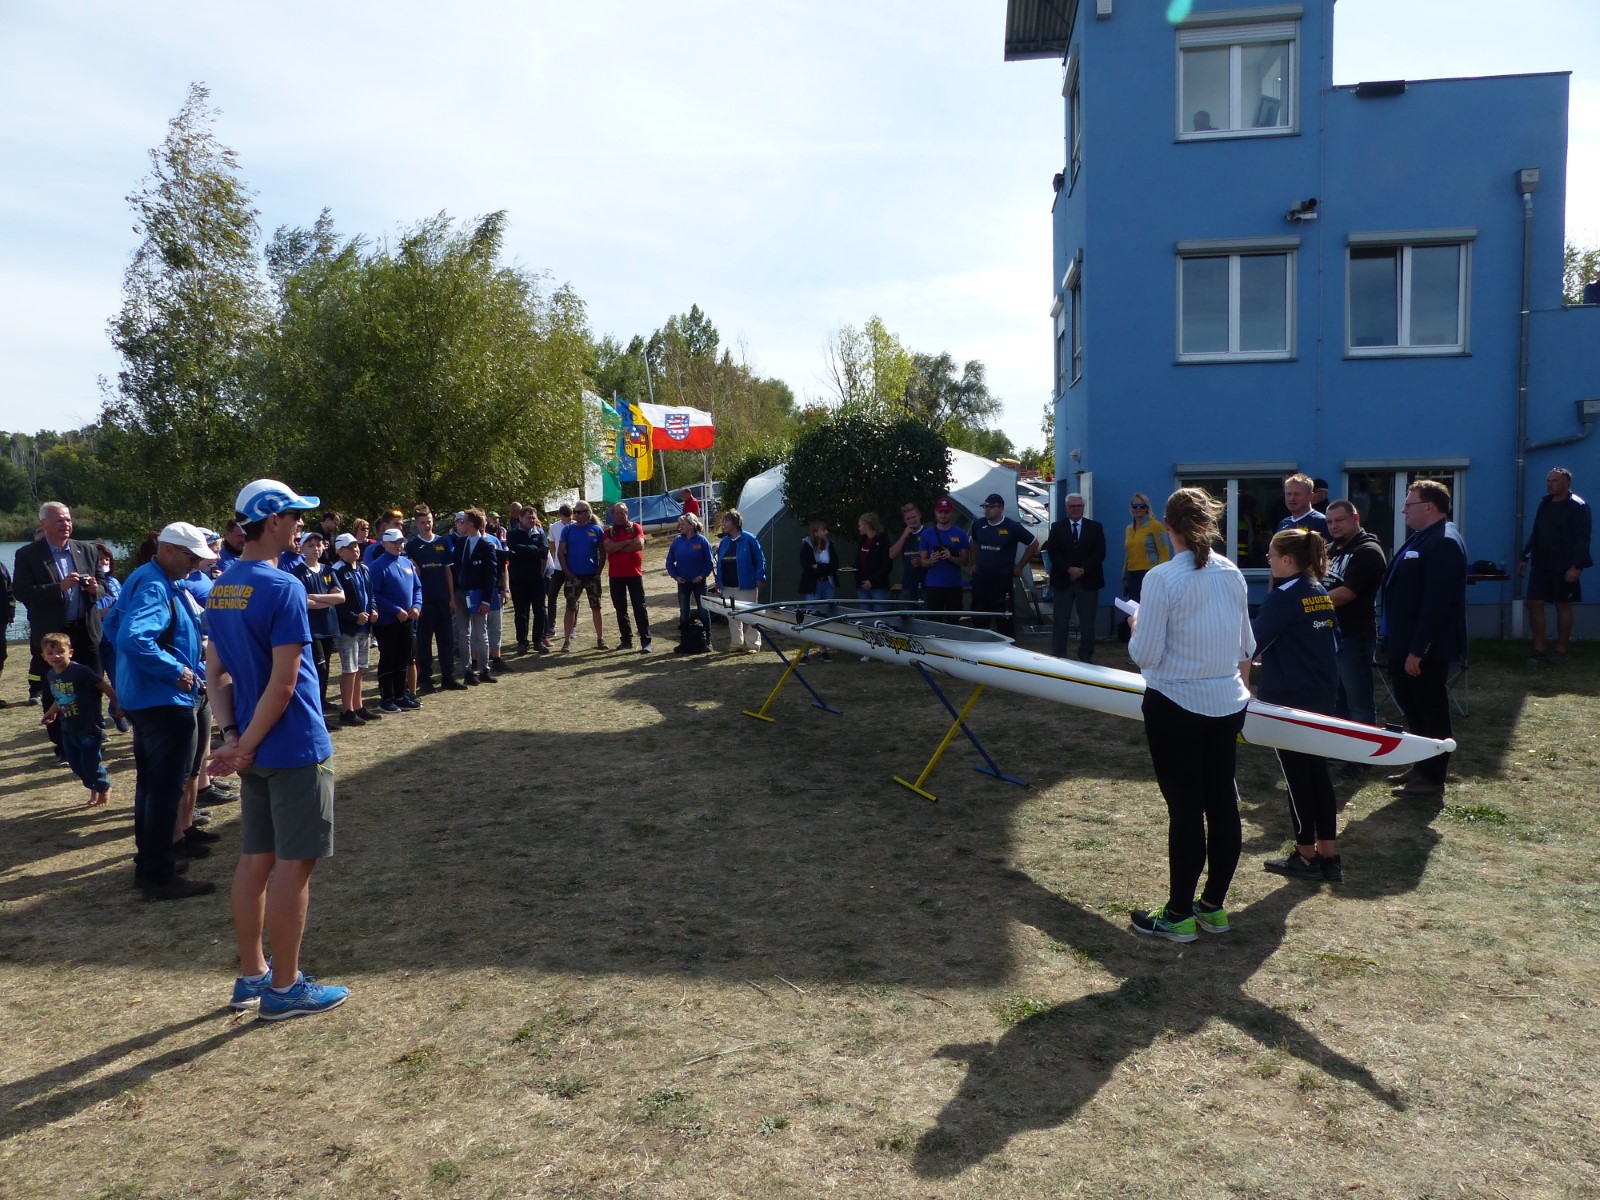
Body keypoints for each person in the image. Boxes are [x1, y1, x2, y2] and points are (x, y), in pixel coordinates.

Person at [205, 477, 348, 1021]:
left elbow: (216, 674)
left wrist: (233, 738)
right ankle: (285, 988)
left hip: (254, 746)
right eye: (293, 516)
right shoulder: (283, 586)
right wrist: (244, 744)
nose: (300, 525)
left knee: (255, 858)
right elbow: (285, 683)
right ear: (271, 520)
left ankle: (253, 974)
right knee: (293, 865)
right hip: (293, 745)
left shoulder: (221, 586)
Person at [1126, 488, 1254, 943]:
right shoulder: (1232, 572)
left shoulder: (1162, 578)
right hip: (1227, 703)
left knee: (1185, 808)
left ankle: (1179, 913)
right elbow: (1247, 645)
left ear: (1167, 525)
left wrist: (1136, 624)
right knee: (1221, 802)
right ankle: (1212, 906)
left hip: (1175, 703)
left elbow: (1145, 655)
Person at [116, 521, 216, 900]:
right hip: (163, 701)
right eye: (191, 557)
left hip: (146, 697)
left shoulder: (147, 577)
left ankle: (151, 864)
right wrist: (177, 671)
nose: (195, 564)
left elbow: (113, 627)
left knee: (150, 788)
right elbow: (133, 638)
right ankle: (158, 876)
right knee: (163, 790)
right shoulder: (155, 584)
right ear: (169, 549)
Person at [1252, 528, 1342, 882]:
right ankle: (1328, 854)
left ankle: (1305, 856)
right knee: (1317, 772)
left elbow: (1251, 643)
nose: (1268, 561)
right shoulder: (1318, 590)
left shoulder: (1284, 596)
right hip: (1321, 692)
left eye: (1271, 556)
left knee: (1297, 777)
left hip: (1290, 698)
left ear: (1287, 560)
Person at [1382, 479, 1467, 798]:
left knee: (1430, 709)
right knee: (1413, 707)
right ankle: (1421, 764)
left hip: (1423, 649)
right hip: (1404, 642)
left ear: (1428, 506)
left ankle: (1432, 777)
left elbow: (1436, 604)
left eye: (1409, 504)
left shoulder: (1443, 541)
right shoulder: (1423, 537)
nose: (1404, 510)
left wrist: (1419, 650)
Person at [13, 501, 103, 764]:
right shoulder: (28, 554)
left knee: (92, 686)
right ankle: (62, 747)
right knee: (55, 689)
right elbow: (22, 592)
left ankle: (93, 740)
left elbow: (103, 587)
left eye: (68, 519)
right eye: (59, 520)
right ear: (43, 524)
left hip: (85, 631)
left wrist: (94, 589)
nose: (66, 524)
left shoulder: (87, 550)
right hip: (53, 636)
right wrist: (59, 588)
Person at [1323, 500, 1387, 732]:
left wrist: (1309, 602)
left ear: (1355, 518)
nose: (1334, 526)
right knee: (1336, 702)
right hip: (1330, 634)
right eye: (1329, 522)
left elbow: (1347, 593)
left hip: (1354, 636)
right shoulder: (1330, 549)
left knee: (1358, 703)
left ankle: (1363, 750)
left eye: (1339, 520)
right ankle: (1341, 747)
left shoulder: (1368, 551)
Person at [40, 630, 120, 807]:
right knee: (75, 765)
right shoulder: (51, 675)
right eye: (50, 653)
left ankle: (104, 787)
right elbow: (60, 698)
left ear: (70, 652)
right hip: (68, 728)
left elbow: (104, 686)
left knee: (90, 763)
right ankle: (93, 787)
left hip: (88, 728)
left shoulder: (81, 671)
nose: (55, 656)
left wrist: (117, 704)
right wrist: (51, 712)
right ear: (43, 656)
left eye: (60, 651)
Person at [1520, 466, 1591, 661]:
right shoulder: (1545, 503)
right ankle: (1539, 648)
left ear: (1567, 483)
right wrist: (1524, 557)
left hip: (1565, 565)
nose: (1550, 485)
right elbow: (1537, 533)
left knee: (1562, 605)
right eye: (1548, 481)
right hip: (1541, 563)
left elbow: (1583, 538)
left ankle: (1561, 650)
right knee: (1533, 603)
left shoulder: (1577, 506)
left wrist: (1576, 566)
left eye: (1555, 481)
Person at [1043, 492, 1106, 662]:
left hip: (1088, 581)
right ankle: (1059, 655)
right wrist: (1068, 569)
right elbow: (1053, 552)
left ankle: (1086, 656)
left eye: (1079, 506)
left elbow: (1100, 553)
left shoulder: (1095, 527)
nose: (1076, 509)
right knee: (1060, 621)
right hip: (1063, 581)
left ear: (1083, 507)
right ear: (1067, 508)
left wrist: (1082, 569)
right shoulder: (1057, 527)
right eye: (1073, 506)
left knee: (1087, 622)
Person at [288, 529, 344, 721]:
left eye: (319, 545)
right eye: (310, 545)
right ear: (302, 548)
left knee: (326, 668)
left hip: (328, 626)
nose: (315, 549)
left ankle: (321, 706)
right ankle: (315, 713)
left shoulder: (328, 570)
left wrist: (317, 598)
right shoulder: (297, 572)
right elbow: (304, 602)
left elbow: (341, 597)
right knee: (318, 669)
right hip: (311, 629)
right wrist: (327, 600)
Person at [968, 493, 1038, 637]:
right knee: (980, 620)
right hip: (981, 580)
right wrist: (974, 563)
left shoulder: (1012, 526)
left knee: (1004, 622)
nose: (987, 510)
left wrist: (1019, 567)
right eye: (985, 507)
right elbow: (974, 542)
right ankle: (980, 647)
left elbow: (1033, 543)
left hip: (1002, 581)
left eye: (991, 507)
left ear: (1001, 508)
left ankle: (1007, 646)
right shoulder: (979, 524)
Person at [406, 505, 459, 690]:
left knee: (446, 639)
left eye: (428, 521)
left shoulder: (442, 542)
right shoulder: (412, 546)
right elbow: (411, 576)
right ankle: (426, 679)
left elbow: (448, 571)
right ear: (416, 524)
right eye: (422, 522)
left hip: (443, 599)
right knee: (424, 641)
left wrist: (452, 598)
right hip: (424, 601)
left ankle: (448, 677)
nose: (426, 525)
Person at [370, 528, 423, 712]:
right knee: (388, 658)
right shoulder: (377, 566)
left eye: (401, 542)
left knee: (404, 657)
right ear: (385, 543)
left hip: (407, 619)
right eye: (394, 542)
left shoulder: (407, 562)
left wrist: (417, 606)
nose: (399, 545)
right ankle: (386, 698)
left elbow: (417, 588)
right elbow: (374, 594)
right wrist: (394, 610)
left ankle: (400, 695)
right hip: (386, 622)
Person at [330, 532, 381, 724]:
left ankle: (358, 705)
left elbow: (370, 594)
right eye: (350, 547)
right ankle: (347, 710)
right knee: (349, 669)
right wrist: (354, 617)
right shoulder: (336, 571)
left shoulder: (363, 568)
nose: (355, 550)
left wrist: (373, 610)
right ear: (340, 551)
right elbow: (337, 603)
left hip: (364, 627)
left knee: (359, 668)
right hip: (348, 628)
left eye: (356, 546)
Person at [451, 509, 500, 680]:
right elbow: (455, 568)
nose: (461, 524)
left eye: (463, 521)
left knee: (480, 632)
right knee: (463, 633)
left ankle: (484, 669)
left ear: (471, 525)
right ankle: (467, 670)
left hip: (478, 595)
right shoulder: (460, 543)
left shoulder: (486, 546)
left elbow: (491, 575)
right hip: (461, 592)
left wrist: (486, 600)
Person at [713, 508, 767, 652]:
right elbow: (720, 564)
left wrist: (760, 577)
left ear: (736, 523)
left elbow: (760, 559)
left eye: (727, 521)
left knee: (750, 614)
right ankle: (736, 643)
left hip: (746, 585)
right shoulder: (724, 541)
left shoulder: (749, 539)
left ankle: (753, 644)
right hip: (728, 586)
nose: (724, 524)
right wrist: (719, 583)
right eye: (723, 521)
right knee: (732, 616)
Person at [556, 502, 608, 652]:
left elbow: (602, 552)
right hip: (574, 575)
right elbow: (560, 552)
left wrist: (598, 571)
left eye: (579, 512)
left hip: (591, 575)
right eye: (575, 511)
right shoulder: (568, 529)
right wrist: (567, 572)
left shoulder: (596, 530)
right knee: (570, 607)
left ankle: (600, 638)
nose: (576, 514)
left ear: (588, 513)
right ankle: (566, 641)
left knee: (596, 607)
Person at [1120, 493, 1171, 643]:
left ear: (1147, 507)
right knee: (1136, 611)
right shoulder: (1129, 528)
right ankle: (1137, 643)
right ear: (1131, 508)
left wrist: (1161, 577)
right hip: (1132, 574)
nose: (1138, 509)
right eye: (1135, 506)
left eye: (1141, 506)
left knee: (1150, 611)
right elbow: (1128, 553)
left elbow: (1164, 552)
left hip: (1149, 574)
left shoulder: (1156, 526)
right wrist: (1124, 576)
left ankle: (1153, 642)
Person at [506, 504, 551, 655]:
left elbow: (544, 552)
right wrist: (532, 549)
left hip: (536, 578)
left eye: (533, 517)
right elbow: (513, 549)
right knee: (521, 612)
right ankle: (522, 642)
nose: (531, 520)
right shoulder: (512, 534)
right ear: (520, 518)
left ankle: (538, 640)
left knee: (540, 610)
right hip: (518, 579)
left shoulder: (540, 533)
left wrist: (526, 549)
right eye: (528, 518)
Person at [918, 497, 972, 620]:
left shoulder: (960, 533)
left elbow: (965, 561)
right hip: (934, 585)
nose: (943, 515)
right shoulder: (926, 534)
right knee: (935, 622)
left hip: (954, 585)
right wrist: (931, 560)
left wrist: (951, 557)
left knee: (954, 622)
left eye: (946, 512)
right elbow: (922, 562)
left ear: (951, 513)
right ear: (935, 512)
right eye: (940, 511)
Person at [799, 519, 839, 662]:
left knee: (826, 615)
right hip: (813, 585)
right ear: (815, 532)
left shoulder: (829, 545)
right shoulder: (807, 546)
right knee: (810, 615)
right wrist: (824, 568)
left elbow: (835, 565)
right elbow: (808, 567)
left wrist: (819, 567)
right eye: (823, 530)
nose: (826, 532)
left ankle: (824, 650)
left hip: (828, 584)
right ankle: (804, 653)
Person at [666, 512, 714, 629]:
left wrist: (702, 576)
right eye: (680, 524)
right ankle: (685, 637)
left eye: (683, 524)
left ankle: (707, 637)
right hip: (683, 582)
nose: (680, 527)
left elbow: (709, 562)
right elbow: (669, 562)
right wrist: (676, 576)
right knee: (684, 611)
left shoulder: (702, 541)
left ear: (691, 525)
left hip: (699, 582)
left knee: (703, 610)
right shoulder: (677, 541)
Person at [546, 502, 574, 642]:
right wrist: (555, 560)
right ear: (560, 516)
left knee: (572, 597)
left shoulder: (575, 526)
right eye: (564, 519)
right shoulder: (554, 527)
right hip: (558, 567)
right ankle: (550, 627)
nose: (567, 522)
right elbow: (552, 546)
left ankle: (572, 628)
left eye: (569, 519)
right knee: (552, 596)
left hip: (572, 567)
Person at [889, 503, 927, 606]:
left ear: (919, 515)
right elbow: (892, 555)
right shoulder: (903, 534)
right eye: (908, 519)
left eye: (913, 517)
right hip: (908, 584)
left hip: (926, 584)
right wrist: (904, 535)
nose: (911, 521)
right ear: (904, 520)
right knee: (906, 614)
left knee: (926, 614)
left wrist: (922, 561)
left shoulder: (928, 532)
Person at [855, 512, 893, 603]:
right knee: (864, 611)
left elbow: (887, 565)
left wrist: (872, 581)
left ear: (867, 525)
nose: (858, 528)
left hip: (878, 587)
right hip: (862, 586)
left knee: (879, 611)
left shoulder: (883, 541)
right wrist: (852, 568)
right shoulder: (862, 541)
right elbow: (860, 562)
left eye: (860, 525)